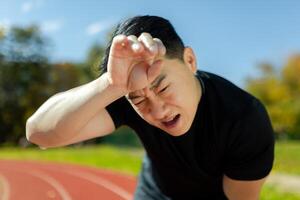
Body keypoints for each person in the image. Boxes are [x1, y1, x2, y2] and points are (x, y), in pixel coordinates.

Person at [26, 15, 275, 199]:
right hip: (154, 193)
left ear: (190, 60)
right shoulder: (128, 89)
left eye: (163, 88)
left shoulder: (244, 118)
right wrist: (111, 86)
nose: (157, 112)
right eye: (139, 100)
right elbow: (39, 133)